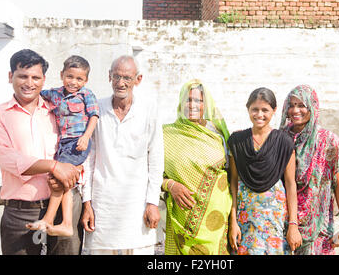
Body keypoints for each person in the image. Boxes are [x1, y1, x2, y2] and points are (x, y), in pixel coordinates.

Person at [0, 49, 82, 255]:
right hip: (21, 213)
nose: (29, 83)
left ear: (44, 79)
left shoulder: (57, 111)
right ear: (11, 76)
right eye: (23, 76)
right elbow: (8, 159)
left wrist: (70, 172)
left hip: (63, 208)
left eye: (36, 77)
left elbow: (76, 145)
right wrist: (54, 166)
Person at [81, 55, 164, 255]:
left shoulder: (148, 109)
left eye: (127, 77)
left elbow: (156, 158)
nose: (121, 83)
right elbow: (89, 159)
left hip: (137, 205)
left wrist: (152, 202)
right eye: (116, 76)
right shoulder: (96, 109)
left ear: (138, 79)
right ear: (109, 77)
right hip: (103, 205)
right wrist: (87, 203)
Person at [26, 55, 99, 237]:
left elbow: (94, 116)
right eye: (69, 76)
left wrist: (86, 137)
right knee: (66, 183)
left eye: (79, 78)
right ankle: (65, 223)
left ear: (86, 80)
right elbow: (38, 93)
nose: (73, 82)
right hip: (63, 145)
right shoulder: (55, 94)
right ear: (61, 74)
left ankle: (49, 219)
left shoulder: (86, 95)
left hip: (77, 143)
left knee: (58, 180)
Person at [279, 84, 339, 255]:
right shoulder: (280, 138)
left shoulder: (328, 141)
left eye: (301, 105)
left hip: (317, 226)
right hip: (283, 221)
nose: (295, 110)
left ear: (312, 107)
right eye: (291, 105)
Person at [227, 87, 302, 255]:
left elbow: (290, 185)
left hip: (274, 217)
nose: (259, 114)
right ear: (248, 109)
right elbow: (233, 183)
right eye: (255, 109)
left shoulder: (284, 142)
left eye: (265, 110)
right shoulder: (237, 142)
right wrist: (233, 221)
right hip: (245, 216)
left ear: (274, 111)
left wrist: (293, 224)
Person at [162, 79, 232, 255]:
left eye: (198, 101)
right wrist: (171, 185)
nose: (192, 105)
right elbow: (149, 172)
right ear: (181, 103)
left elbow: (231, 173)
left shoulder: (218, 134)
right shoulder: (166, 134)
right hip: (181, 218)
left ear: (206, 105)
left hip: (216, 219)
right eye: (188, 100)